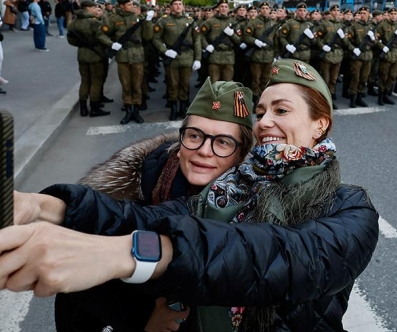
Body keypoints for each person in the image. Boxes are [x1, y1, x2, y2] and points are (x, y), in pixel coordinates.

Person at [0, 60, 379, 332]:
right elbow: (155, 216)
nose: (265, 121)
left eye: (281, 110)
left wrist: (132, 254)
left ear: (320, 125)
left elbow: (275, 258)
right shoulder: (235, 187)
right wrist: (43, 206)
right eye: (261, 111)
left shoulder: (350, 207)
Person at [53, 78, 255, 331]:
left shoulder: (253, 212)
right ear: (180, 144)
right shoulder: (128, 192)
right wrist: (141, 320)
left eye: (223, 142)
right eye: (194, 136)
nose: (204, 150)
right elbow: (78, 290)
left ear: (241, 155)